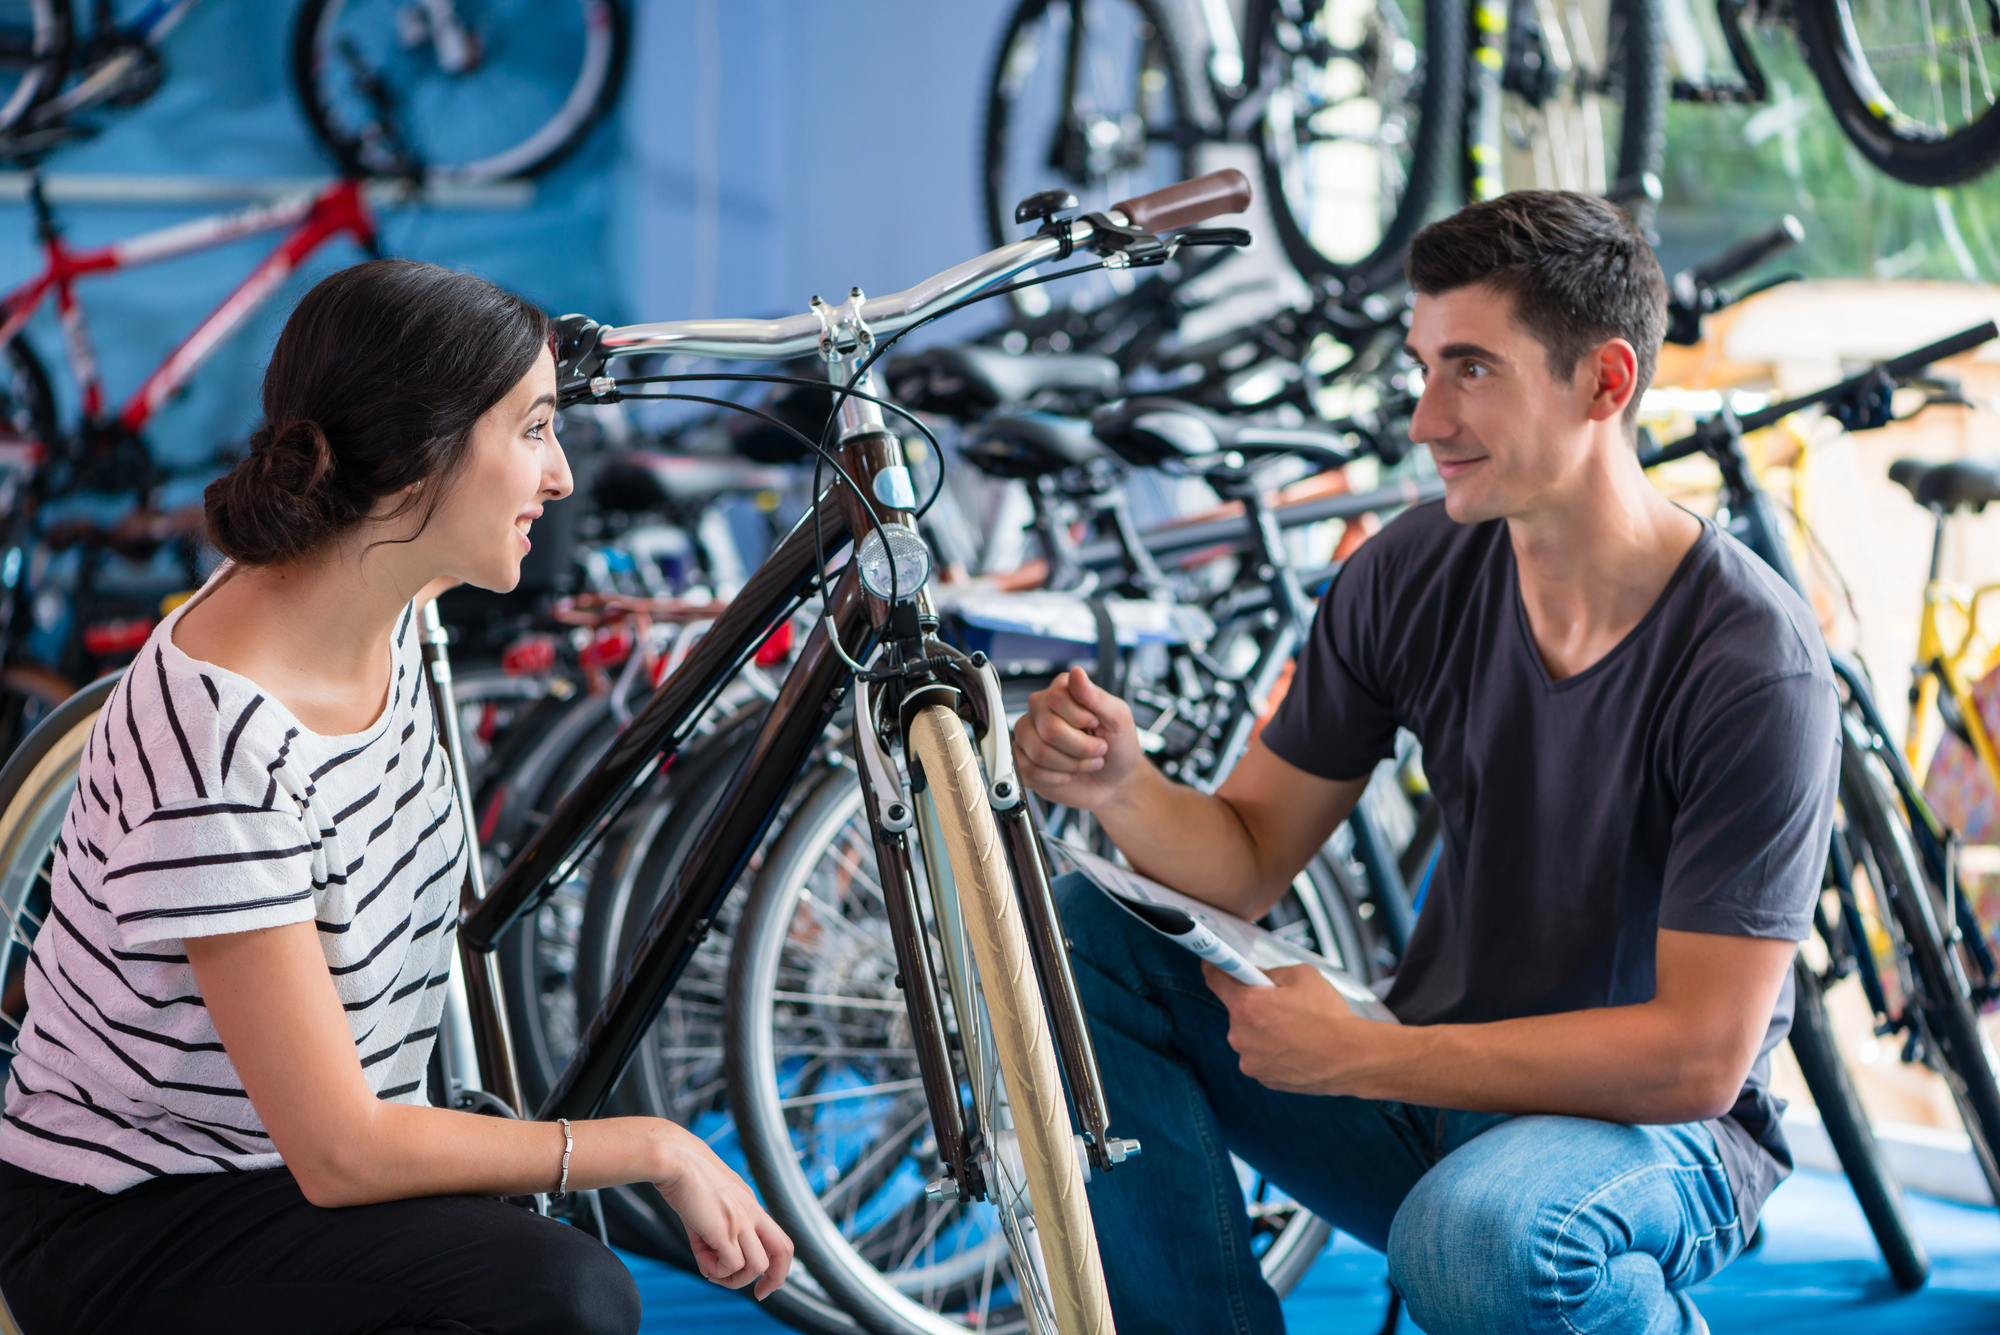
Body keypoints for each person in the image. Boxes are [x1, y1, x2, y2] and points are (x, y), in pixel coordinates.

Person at [1014, 192, 1837, 1335]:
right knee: (1084, 936)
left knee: (1478, 1237)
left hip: (1658, 1134)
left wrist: (1360, 1059)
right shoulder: (1405, 573)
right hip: (1432, 1081)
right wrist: (1121, 786)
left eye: (1471, 370)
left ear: (1604, 383)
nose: (1422, 418)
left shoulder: (1753, 663)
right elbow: (1246, 858)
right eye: (1420, 367)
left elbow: (1695, 1058)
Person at [0, 260, 792, 1334]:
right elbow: (338, 1153)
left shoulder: (389, 600)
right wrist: (647, 1147)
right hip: (135, 1215)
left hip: (282, 1161)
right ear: (418, 454)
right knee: (563, 1296)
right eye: (532, 431)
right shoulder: (223, 732)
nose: (558, 478)